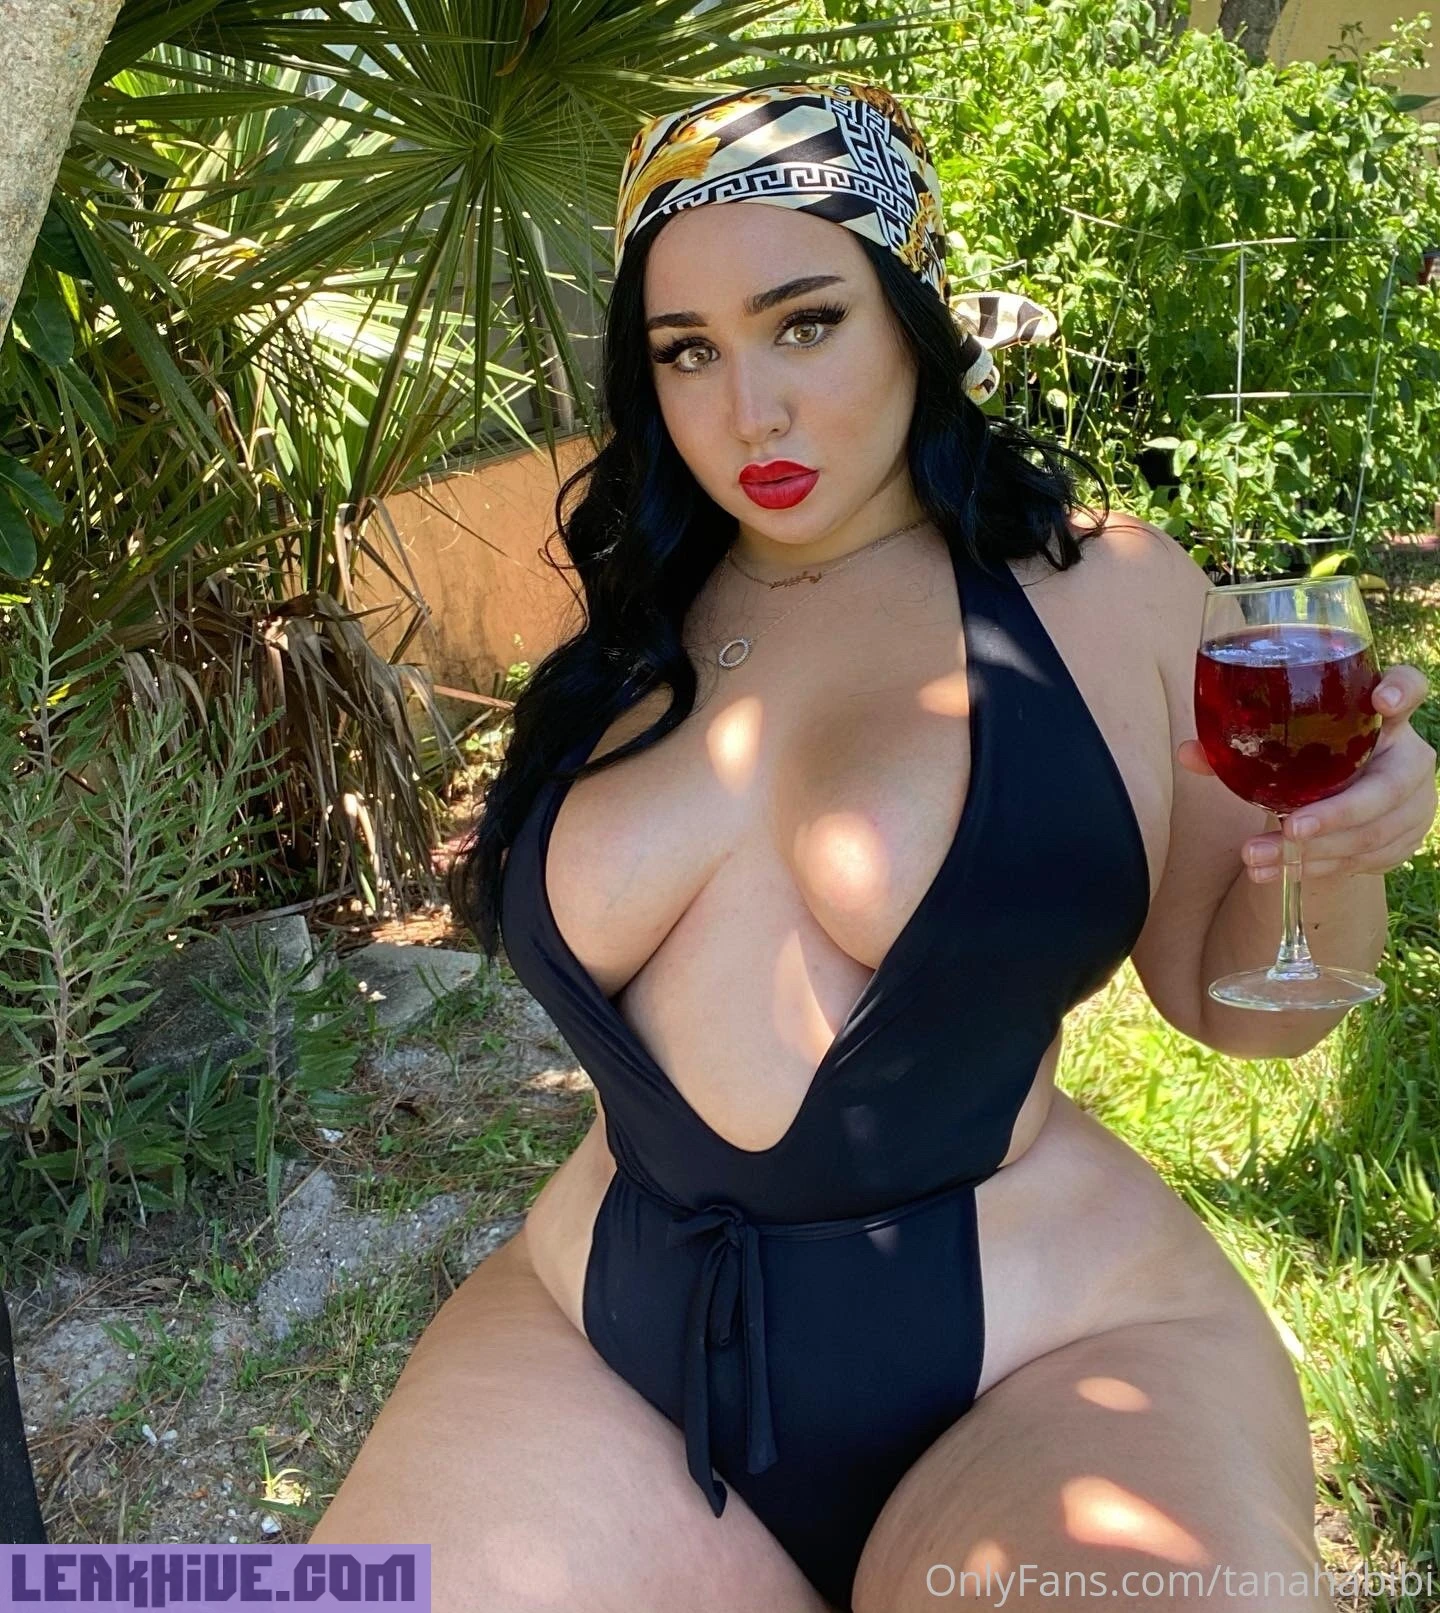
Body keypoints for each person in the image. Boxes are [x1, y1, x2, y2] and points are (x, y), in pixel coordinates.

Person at [313, 78, 1437, 1613]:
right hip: (602, 1341)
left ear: (914, 317)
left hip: (1042, 1346)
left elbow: (1252, 1013)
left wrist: (1344, 850)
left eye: (807, 323)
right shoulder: (634, 627)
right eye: (688, 351)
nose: (750, 413)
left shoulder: (1104, 596)